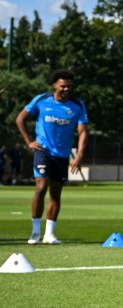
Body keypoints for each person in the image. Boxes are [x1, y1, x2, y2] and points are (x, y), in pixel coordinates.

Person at [15, 69, 88, 244]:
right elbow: (20, 119)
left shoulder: (77, 105)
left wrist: (78, 156)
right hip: (43, 151)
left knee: (56, 193)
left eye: (69, 86)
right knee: (41, 187)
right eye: (63, 86)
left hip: (62, 155)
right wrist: (29, 142)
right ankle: (34, 232)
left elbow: (83, 132)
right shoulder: (41, 100)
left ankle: (49, 234)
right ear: (55, 85)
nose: (66, 89)